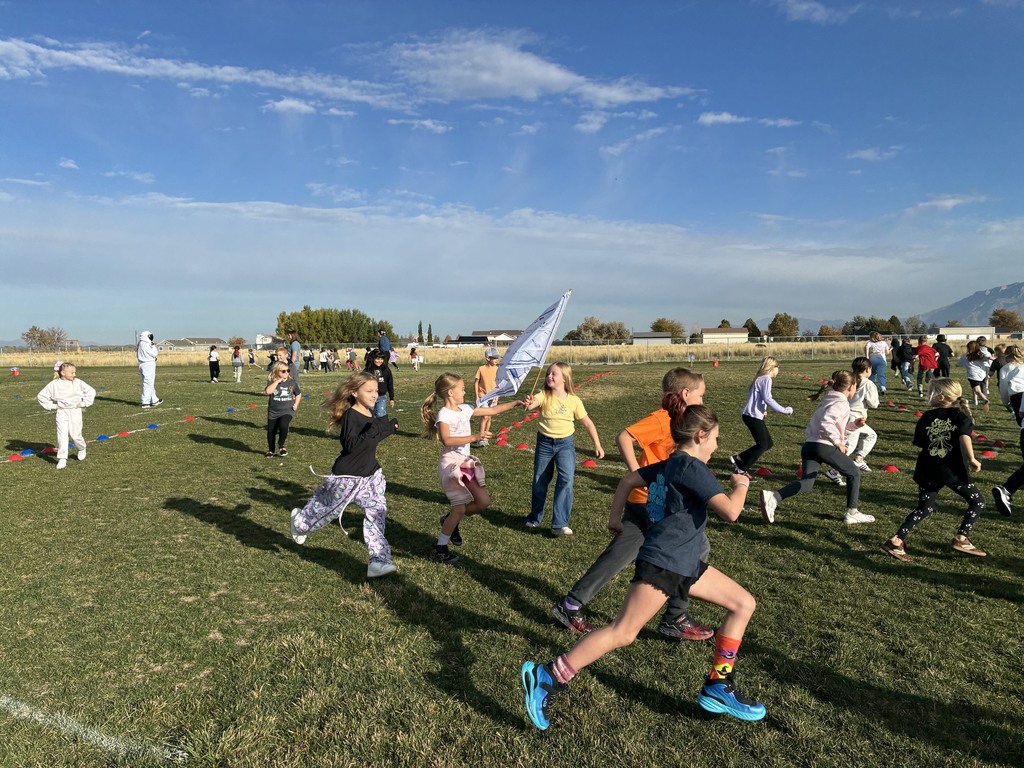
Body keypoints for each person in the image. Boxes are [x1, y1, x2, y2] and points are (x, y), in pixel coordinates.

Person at [521, 405, 765, 730]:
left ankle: (719, 684)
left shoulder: (668, 464)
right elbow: (731, 513)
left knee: (743, 603)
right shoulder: (692, 468)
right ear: (701, 435)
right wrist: (741, 484)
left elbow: (627, 481)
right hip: (665, 563)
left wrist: (615, 518)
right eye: (716, 439)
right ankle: (548, 675)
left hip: (684, 562)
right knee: (622, 632)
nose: (717, 446)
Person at [551, 368, 714, 641]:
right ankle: (676, 616)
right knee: (698, 546)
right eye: (701, 395)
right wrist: (639, 475)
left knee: (620, 554)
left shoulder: (680, 421)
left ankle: (571, 604)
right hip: (654, 502)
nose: (703, 400)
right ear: (685, 394)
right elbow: (623, 437)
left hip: (646, 502)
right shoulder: (664, 420)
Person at [289, 372, 399, 579]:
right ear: (354, 393)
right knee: (325, 512)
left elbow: (371, 440)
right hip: (346, 478)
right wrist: (377, 428)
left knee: (377, 511)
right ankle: (299, 523)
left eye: (376, 390)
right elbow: (351, 446)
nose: (375, 395)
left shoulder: (368, 412)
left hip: (369, 475)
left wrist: (388, 428)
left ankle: (379, 561)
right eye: (369, 391)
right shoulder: (351, 415)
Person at [421, 373, 525, 563]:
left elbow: (492, 412)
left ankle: (448, 521)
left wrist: (516, 403)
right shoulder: (444, 415)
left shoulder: (465, 409)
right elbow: (447, 440)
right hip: (451, 464)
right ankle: (439, 547)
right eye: (462, 388)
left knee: (483, 502)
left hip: (465, 462)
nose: (465, 390)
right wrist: (475, 437)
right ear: (451, 392)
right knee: (459, 509)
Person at [883, 379, 987, 561]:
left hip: (928, 468)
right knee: (977, 501)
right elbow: (965, 437)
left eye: (930, 393)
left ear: (940, 397)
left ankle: (896, 540)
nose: (926, 396)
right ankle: (962, 538)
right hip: (950, 470)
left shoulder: (927, 417)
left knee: (925, 509)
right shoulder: (961, 416)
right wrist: (972, 459)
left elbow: (920, 442)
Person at [760, 371, 872, 525]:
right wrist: (837, 443)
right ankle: (852, 512)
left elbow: (834, 427)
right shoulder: (841, 403)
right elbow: (827, 422)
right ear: (852, 387)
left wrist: (854, 426)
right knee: (854, 473)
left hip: (810, 446)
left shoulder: (829, 400)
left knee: (807, 483)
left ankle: (774, 497)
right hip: (823, 446)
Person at [523, 363, 605, 536]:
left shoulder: (574, 401)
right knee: (540, 481)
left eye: (554, 374)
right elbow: (532, 404)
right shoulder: (543, 395)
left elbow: (588, 423)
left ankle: (559, 523)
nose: (549, 376)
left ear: (565, 379)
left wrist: (597, 444)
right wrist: (529, 402)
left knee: (566, 480)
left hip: (565, 445)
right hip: (544, 444)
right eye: (548, 374)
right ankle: (534, 518)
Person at [730, 356, 793, 477]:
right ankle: (741, 469)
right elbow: (768, 398)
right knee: (762, 445)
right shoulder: (766, 379)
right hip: (752, 416)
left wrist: (762, 410)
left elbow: (757, 398)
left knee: (768, 443)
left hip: (752, 415)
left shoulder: (760, 378)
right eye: (778, 367)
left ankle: (739, 458)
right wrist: (785, 410)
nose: (778, 370)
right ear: (772, 367)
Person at [37, 362, 96, 470]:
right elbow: (41, 396)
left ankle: (81, 448)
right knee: (62, 435)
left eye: (75, 372)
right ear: (63, 373)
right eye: (72, 372)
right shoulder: (54, 384)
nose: (74, 375)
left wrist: (83, 403)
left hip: (75, 411)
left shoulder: (78, 383)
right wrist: (53, 406)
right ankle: (62, 458)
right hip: (62, 412)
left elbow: (91, 391)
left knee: (75, 435)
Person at [991, 346, 1024, 516]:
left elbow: (1003, 389)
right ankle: (1007, 489)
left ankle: (1007, 489)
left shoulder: (1005, 368)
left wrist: (1006, 403)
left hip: (1016, 399)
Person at [846, 357, 880, 472]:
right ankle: (834, 471)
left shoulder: (848, 379)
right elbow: (874, 404)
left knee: (871, 435)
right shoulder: (868, 384)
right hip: (855, 418)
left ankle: (859, 460)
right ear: (867, 369)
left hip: (844, 414)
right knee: (849, 446)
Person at [264, 361, 300, 458]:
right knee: (271, 431)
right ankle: (271, 450)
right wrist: (277, 382)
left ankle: (281, 446)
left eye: (287, 371)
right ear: (277, 372)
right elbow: (268, 391)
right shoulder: (271, 381)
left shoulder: (292, 382)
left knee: (284, 426)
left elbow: (298, 394)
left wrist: (296, 404)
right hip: (273, 411)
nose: (286, 373)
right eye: (283, 371)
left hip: (287, 410)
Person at [473, 348, 502, 446]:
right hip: (483, 397)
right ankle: (480, 438)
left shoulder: (498, 370)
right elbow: (476, 382)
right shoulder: (481, 369)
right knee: (485, 416)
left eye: (497, 358)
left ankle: (485, 437)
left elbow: (499, 384)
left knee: (489, 418)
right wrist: (477, 396)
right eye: (494, 358)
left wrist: (496, 397)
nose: (497, 360)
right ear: (488, 358)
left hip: (493, 397)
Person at [956, 340, 992, 407]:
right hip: (982, 374)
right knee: (974, 387)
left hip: (973, 375)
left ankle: (985, 400)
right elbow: (989, 358)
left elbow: (958, 364)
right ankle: (975, 400)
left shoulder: (966, 356)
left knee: (977, 390)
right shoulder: (981, 355)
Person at [137, 331, 162, 407]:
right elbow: (154, 353)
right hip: (148, 364)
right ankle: (145, 402)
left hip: (142, 364)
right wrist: (153, 346)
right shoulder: (146, 344)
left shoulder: (140, 344)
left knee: (149, 383)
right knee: (148, 383)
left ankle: (155, 400)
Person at [366, 350, 394, 418]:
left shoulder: (386, 370)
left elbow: (390, 384)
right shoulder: (368, 370)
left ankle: (380, 428)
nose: (380, 361)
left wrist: (391, 398)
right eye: (377, 359)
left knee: (380, 415)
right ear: (373, 358)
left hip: (381, 397)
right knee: (369, 416)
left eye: (382, 359)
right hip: (369, 397)